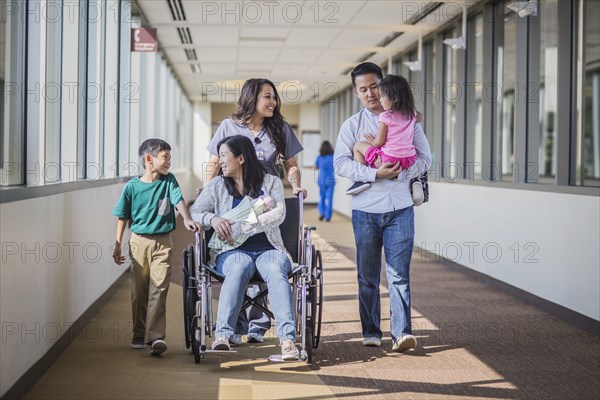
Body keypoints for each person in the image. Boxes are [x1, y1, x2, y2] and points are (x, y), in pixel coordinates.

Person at [333, 62, 432, 352]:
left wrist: (400, 171)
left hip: (400, 209)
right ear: (356, 92)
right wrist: (375, 173)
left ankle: (401, 333)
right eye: (363, 89)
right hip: (365, 210)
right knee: (368, 275)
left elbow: (426, 159)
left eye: (374, 86)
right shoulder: (352, 126)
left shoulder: (407, 120)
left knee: (399, 273)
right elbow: (341, 164)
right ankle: (371, 331)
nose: (370, 94)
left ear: (384, 85)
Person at [202, 78, 307, 345]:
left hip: (266, 199)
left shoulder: (279, 128)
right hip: (233, 198)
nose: (273, 102)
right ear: (252, 99)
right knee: (239, 261)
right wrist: (208, 192)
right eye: (267, 97)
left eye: (274, 97)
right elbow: (214, 163)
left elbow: (291, 164)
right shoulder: (228, 126)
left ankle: (257, 326)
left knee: (264, 254)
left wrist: (295, 186)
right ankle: (234, 327)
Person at [190, 135, 299, 360]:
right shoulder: (217, 185)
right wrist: (213, 219)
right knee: (238, 269)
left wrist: (245, 226)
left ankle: (287, 340)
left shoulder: (271, 182)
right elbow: (196, 211)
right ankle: (223, 335)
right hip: (231, 251)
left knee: (276, 271)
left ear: (240, 158)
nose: (219, 160)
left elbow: (278, 213)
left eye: (223, 155)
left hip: (269, 247)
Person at [112, 138, 198, 356]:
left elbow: (178, 199)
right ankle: (139, 333)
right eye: (165, 157)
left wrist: (186, 219)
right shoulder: (132, 187)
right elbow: (122, 217)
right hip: (138, 242)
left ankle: (156, 336)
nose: (169, 160)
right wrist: (117, 244)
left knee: (159, 288)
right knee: (139, 291)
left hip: (163, 242)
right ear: (149, 159)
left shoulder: (169, 181)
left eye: (170, 157)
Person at [346, 74, 425, 207]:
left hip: (388, 159)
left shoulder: (385, 116)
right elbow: (421, 117)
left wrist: (371, 142)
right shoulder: (411, 114)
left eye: (383, 96)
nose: (380, 100)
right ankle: (415, 180)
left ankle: (361, 180)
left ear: (394, 98)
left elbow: (379, 142)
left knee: (358, 146)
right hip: (409, 160)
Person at [314, 141, 336, 222]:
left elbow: (316, 166)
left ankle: (322, 212)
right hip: (330, 180)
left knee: (322, 197)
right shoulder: (333, 157)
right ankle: (328, 216)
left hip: (321, 180)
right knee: (329, 198)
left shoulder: (319, 157)